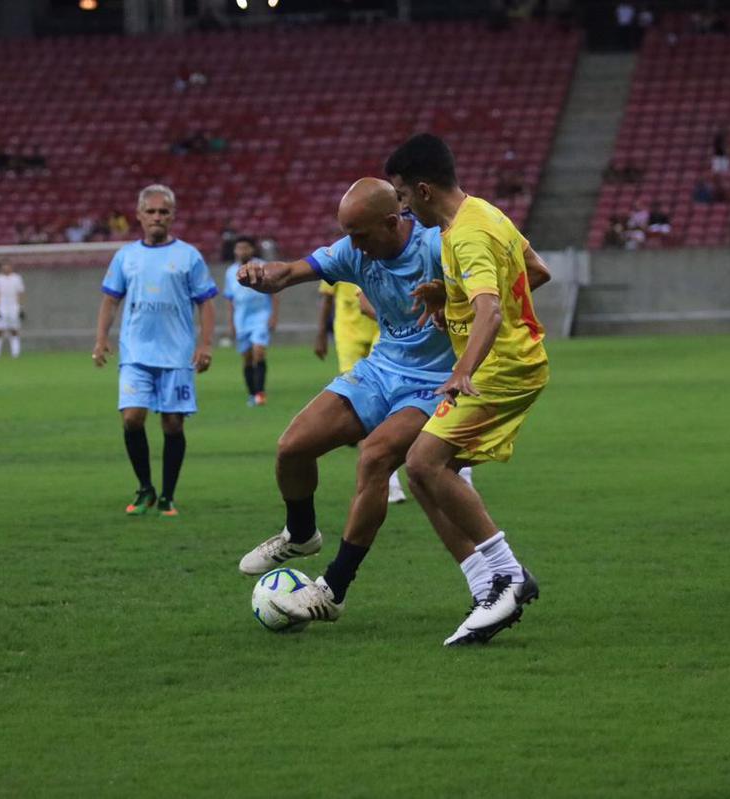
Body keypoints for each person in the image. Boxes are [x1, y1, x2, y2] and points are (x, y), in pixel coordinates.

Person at [234, 178, 463, 620]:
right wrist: (265, 277)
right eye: (346, 233)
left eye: (359, 233)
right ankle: (300, 534)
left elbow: (510, 283)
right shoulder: (354, 249)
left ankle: (334, 588)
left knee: (374, 459)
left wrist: (452, 300)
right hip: (380, 370)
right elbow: (293, 270)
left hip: (433, 381)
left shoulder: (438, 246)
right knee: (292, 447)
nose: (352, 244)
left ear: (393, 222)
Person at [386, 133, 552, 646]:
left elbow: (492, 309)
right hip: (514, 361)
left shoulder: (464, 236)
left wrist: (464, 370)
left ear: (422, 189)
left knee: (420, 463)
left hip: (501, 370)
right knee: (428, 475)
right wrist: (450, 295)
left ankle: (508, 575)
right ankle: (487, 586)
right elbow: (537, 271)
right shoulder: (488, 212)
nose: (404, 210)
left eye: (403, 198)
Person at [92, 184, 217, 517]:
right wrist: (101, 339)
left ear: (173, 216)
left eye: (164, 211)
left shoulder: (189, 256)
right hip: (135, 352)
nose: (157, 217)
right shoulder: (126, 256)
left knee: (173, 425)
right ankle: (145, 487)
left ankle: (168, 496)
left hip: (177, 355)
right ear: (139, 215)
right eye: (151, 211)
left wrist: (205, 344)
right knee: (133, 418)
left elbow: (206, 302)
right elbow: (110, 299)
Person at [314, 278, 414, 503]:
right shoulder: (340, 257)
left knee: (392, 398)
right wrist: (321, 333)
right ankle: (389, 479)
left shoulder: (381, 257)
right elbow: (327, 300)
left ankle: (390, 467)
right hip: (348, 334)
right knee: (364, 402)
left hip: (384, 330)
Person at [223, 236, 278, 406]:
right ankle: (252, 393)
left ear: (252, 250)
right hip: (241, 318)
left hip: (261, 315)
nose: (242, 251)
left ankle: (260, 394)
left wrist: (273, 316)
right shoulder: (230, 272)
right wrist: (231, 323)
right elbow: (230, 299)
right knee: (247, 357)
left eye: (245, 248)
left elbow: (274, 292)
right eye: (239, 248)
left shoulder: (262, 266)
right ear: (235, 251)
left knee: (259, 351)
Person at [0, 262, 25, 359]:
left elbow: (20, 293)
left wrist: (20, 307)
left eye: (8, 266)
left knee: (14, 330)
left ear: (11, 267)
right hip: (2, 307)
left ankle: (15, 353)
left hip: (14, 307)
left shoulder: (17, 278)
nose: (6, 268)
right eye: (4, 266)